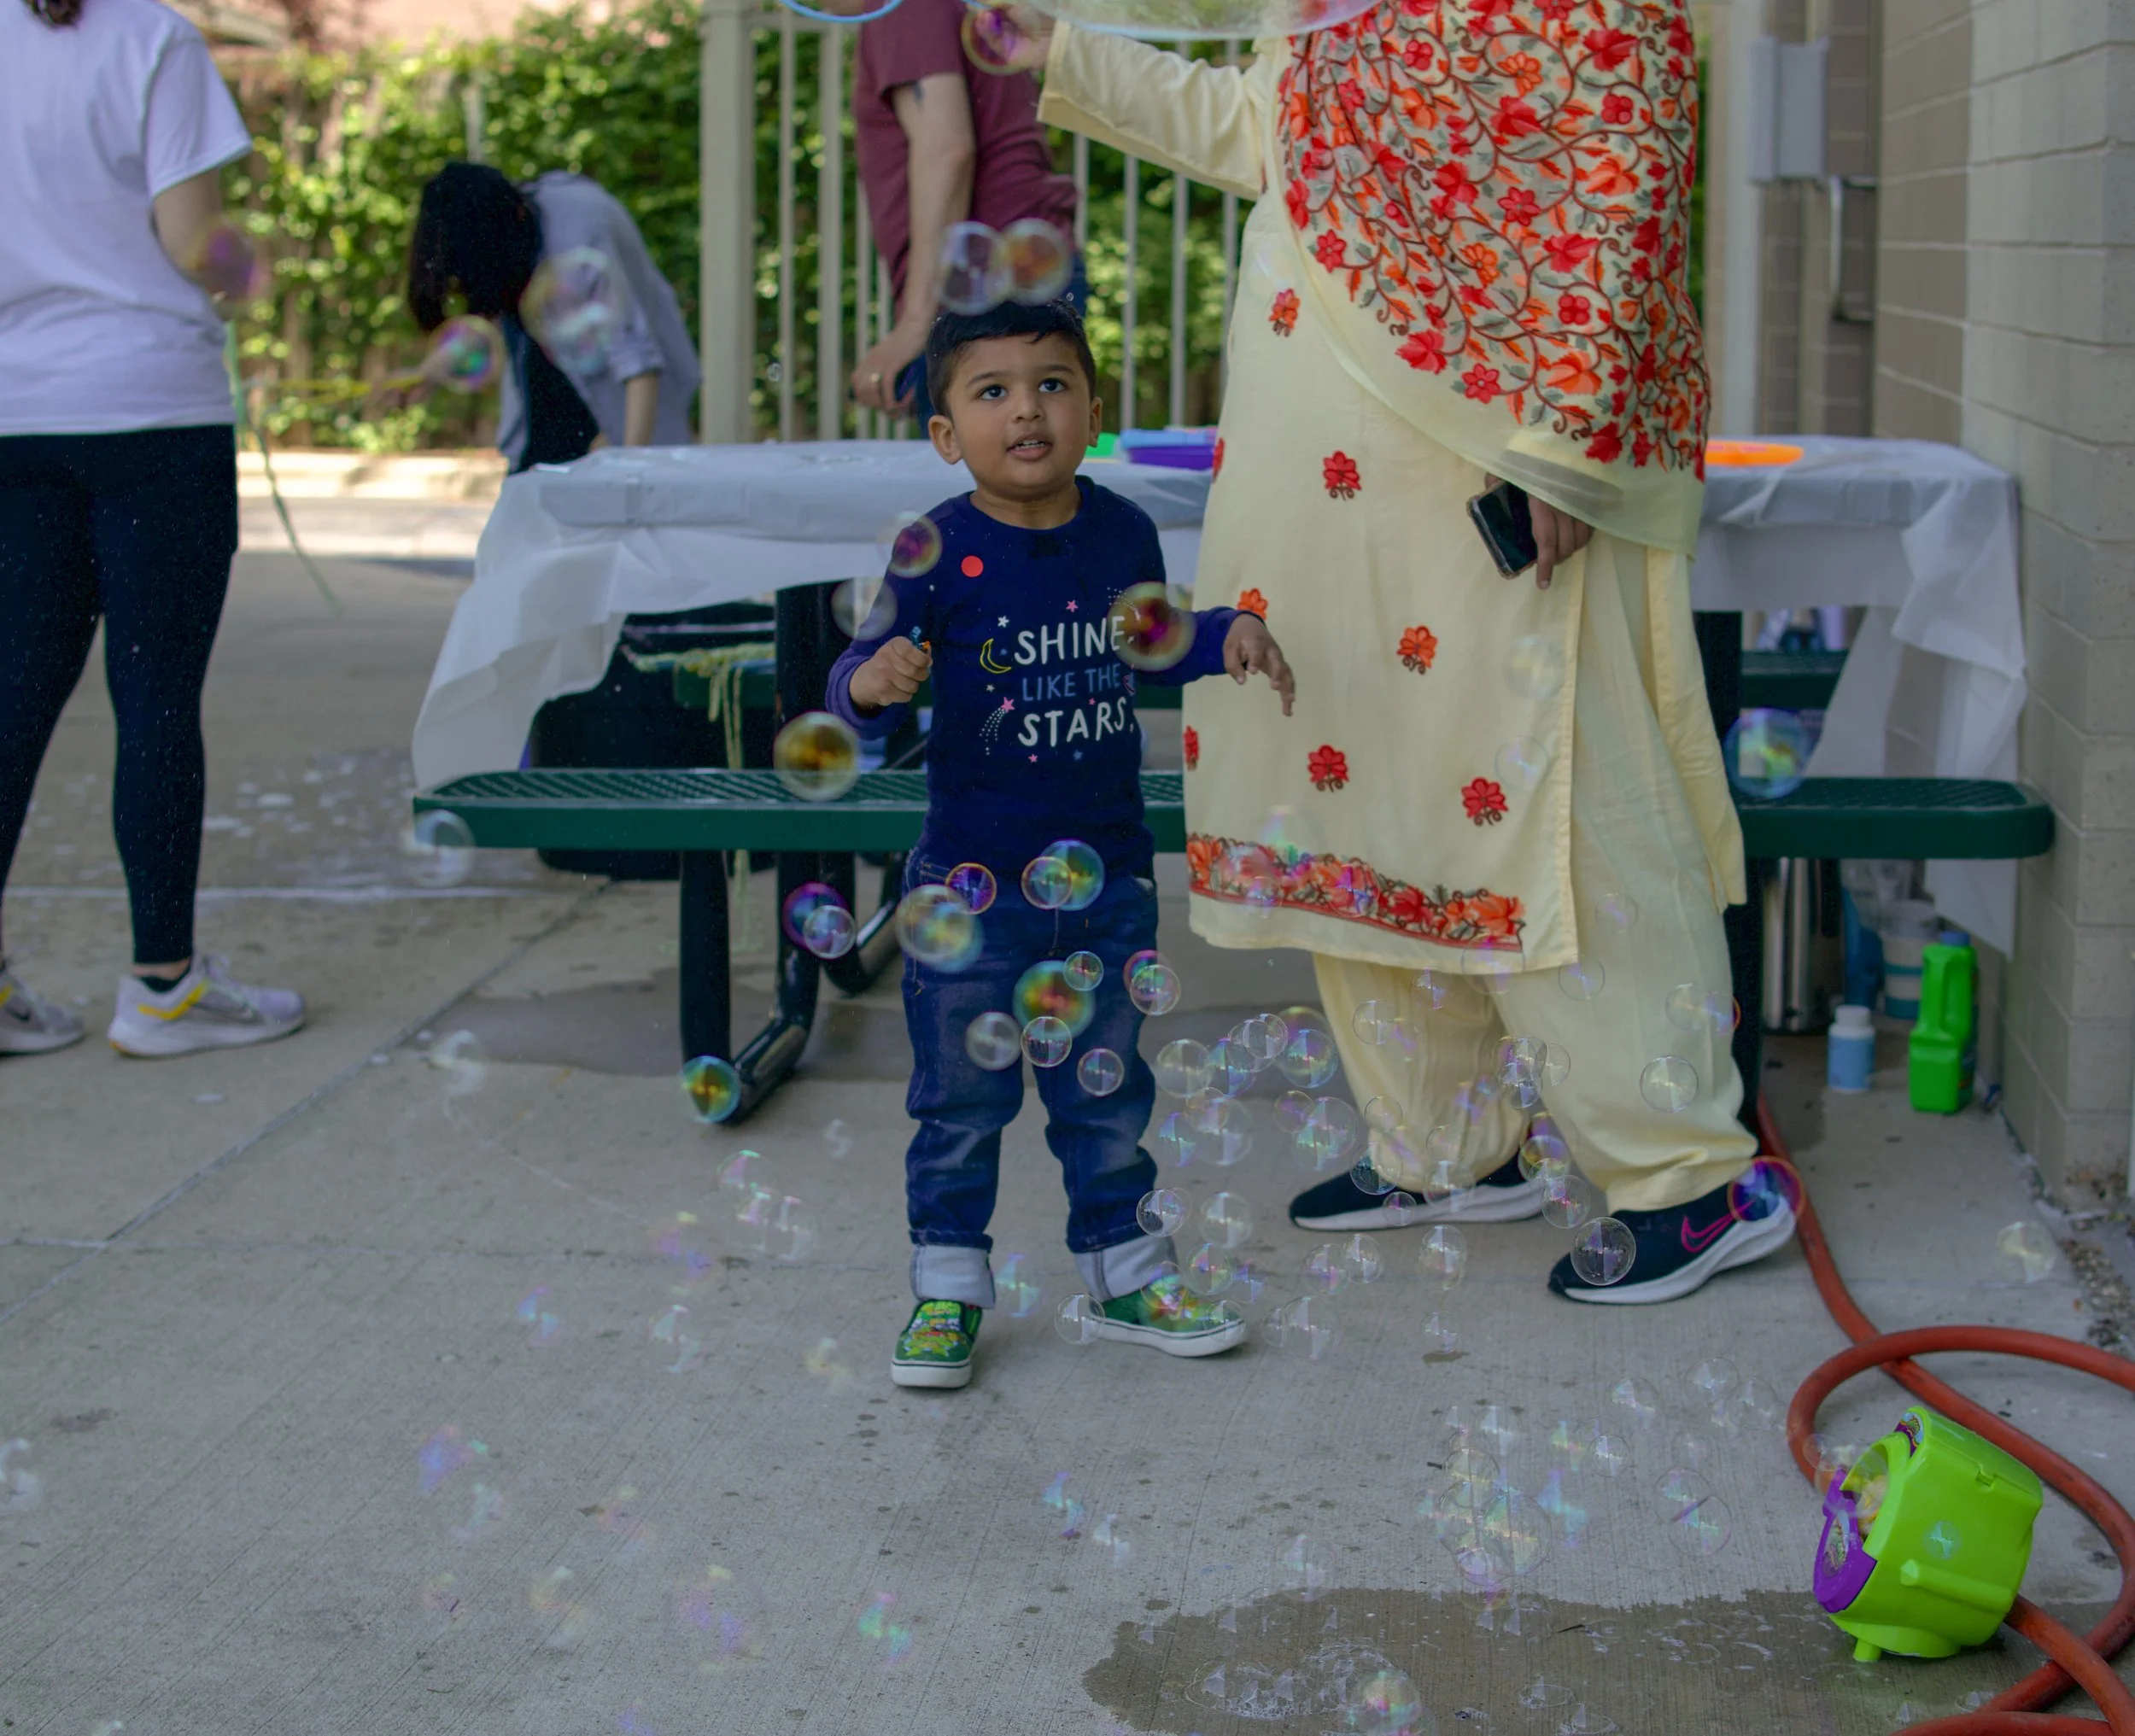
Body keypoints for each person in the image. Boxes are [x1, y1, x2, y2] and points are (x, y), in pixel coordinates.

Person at [1026, 0, 1799, 1304]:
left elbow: (1621, 143)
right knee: (1360, 781)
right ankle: (1443, 1146)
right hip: (1318, 480)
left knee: (1553, 798)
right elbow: (1259, 128)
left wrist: (1561, 436)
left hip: (1479, 460)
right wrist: (1046, 43)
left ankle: (1687, 1174)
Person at [826, 299, 1294, 1388]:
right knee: (958, 1098)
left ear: (1092, 409)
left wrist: (1228, 636)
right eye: (990, 391)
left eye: (1051, 383)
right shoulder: (931, 547)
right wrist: (876, 679)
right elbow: (848, 699)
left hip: (1104, 882)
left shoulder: (1119, 530)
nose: (1024, 408)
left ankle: (1128, 1272)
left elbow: (1152, 641)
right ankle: (946, 1286)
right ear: (946, 433)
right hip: (969, 887)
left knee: (1106, 1090)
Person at [0, 0, 306, 1058]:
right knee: (157, 692)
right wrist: (252, 266)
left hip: (12, 414)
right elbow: (193, 243)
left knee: (11, 694)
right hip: (149, 411)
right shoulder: (150, 39)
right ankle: (163, 984)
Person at [847, 0, 1080, 424]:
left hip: (985, 293)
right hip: (1013, 276)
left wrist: (917, 322)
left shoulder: (903, 9)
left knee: (992, 486)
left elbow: (946, 150)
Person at [405, 163, 699, 471]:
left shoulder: (582, 226)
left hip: (619, 418)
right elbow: (486, 322)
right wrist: (428, 372)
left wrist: (627, 463)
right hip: (547, 422)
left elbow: (638, 358)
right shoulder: (500, 232)